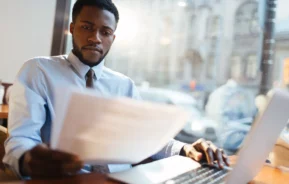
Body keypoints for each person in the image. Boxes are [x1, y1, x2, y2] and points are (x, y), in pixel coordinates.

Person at [3, 0, 229, 179]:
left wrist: (185, 149)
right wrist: (28, 161)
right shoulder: (39, 70)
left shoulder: (124, 84)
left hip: (122, 180)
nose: (95, 38)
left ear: (113, 37)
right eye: (86, 28)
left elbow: (144, 137)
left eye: (105, 32)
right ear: (72, 28)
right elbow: (21, 139)